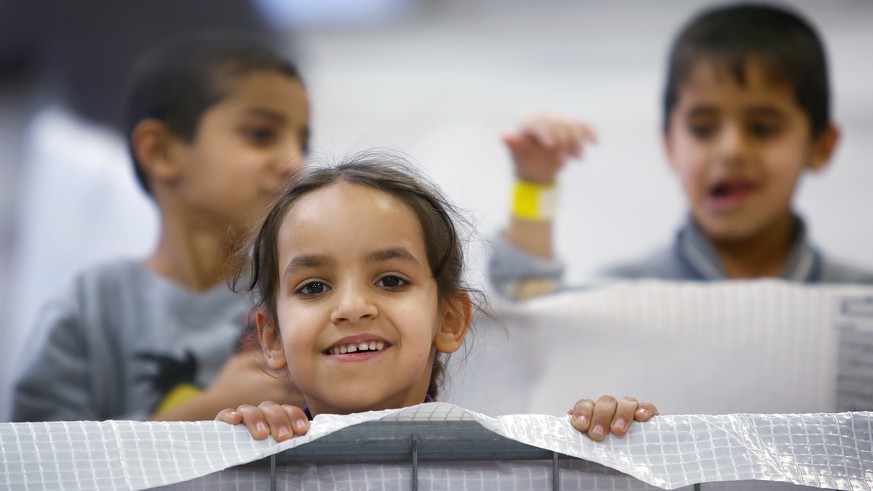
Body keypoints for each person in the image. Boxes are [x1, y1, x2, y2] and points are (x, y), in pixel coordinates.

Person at [214, 153, 658, 442]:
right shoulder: (252, 456)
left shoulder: (514, 465)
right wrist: (236, 460)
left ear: (449, 320)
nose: (351, 307)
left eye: (390, 281)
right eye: (314, 287)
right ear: (270, 337)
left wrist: (610, 451)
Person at [11, 32, 310, 421]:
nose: (294, 163)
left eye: (302, 143)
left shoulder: (300, 294)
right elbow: (36, 463)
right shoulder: (94, 306)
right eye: (260, 134)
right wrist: (206, 410)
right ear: (160, 151)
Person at [489, 3, 873, 301]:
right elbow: (528, 304)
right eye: (703, 129)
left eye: (763, 128)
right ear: (670, 144)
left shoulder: (859, 300)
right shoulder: (623, 295)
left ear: (822, 146)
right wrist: (535, 181)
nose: (732, 150)